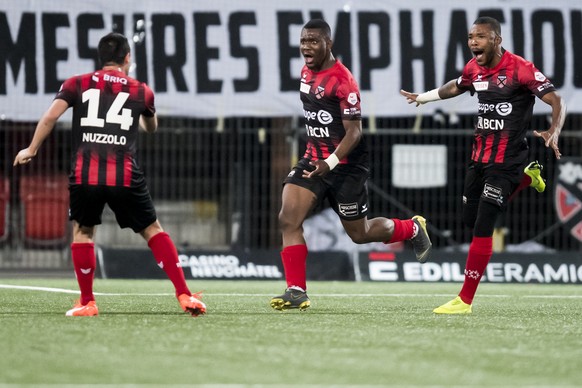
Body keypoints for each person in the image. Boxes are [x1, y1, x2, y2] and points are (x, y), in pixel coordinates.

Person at [13, 32, 206, 317]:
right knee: (153, 230)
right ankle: (184, 294)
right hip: (125, 175)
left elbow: (51, 116)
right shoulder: (141, 90)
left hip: (85, 174)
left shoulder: (76, 83)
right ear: (128, 58)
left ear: (101, 58)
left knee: (83, 231)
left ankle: (87, 302)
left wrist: (31, 148)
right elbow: (151, 127)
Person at [400, 16, 566, 314]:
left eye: (480, 36)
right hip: (479, 159)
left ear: (496, 40)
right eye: (470, 36)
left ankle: (464, 300)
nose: (473, 42)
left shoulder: (521, 69)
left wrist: (554, 129)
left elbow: (557, 100)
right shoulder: (474, 68)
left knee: (483, 224)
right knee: (469, 218)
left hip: (508, 160)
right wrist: (423, 98)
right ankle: (529, 179)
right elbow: (458, 85)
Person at [270, 19, 432, 311]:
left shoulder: (344, 81)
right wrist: (319, 159)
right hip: (313, 159)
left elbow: (355, 132)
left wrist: (330, 162)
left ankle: (411, 228)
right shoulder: (306, 71)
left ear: (328, 44)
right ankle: (296, 290)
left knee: (360, 234)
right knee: (288, 218)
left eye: (314, 42)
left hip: (345, 165)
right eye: (304, 41)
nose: (307, 47)